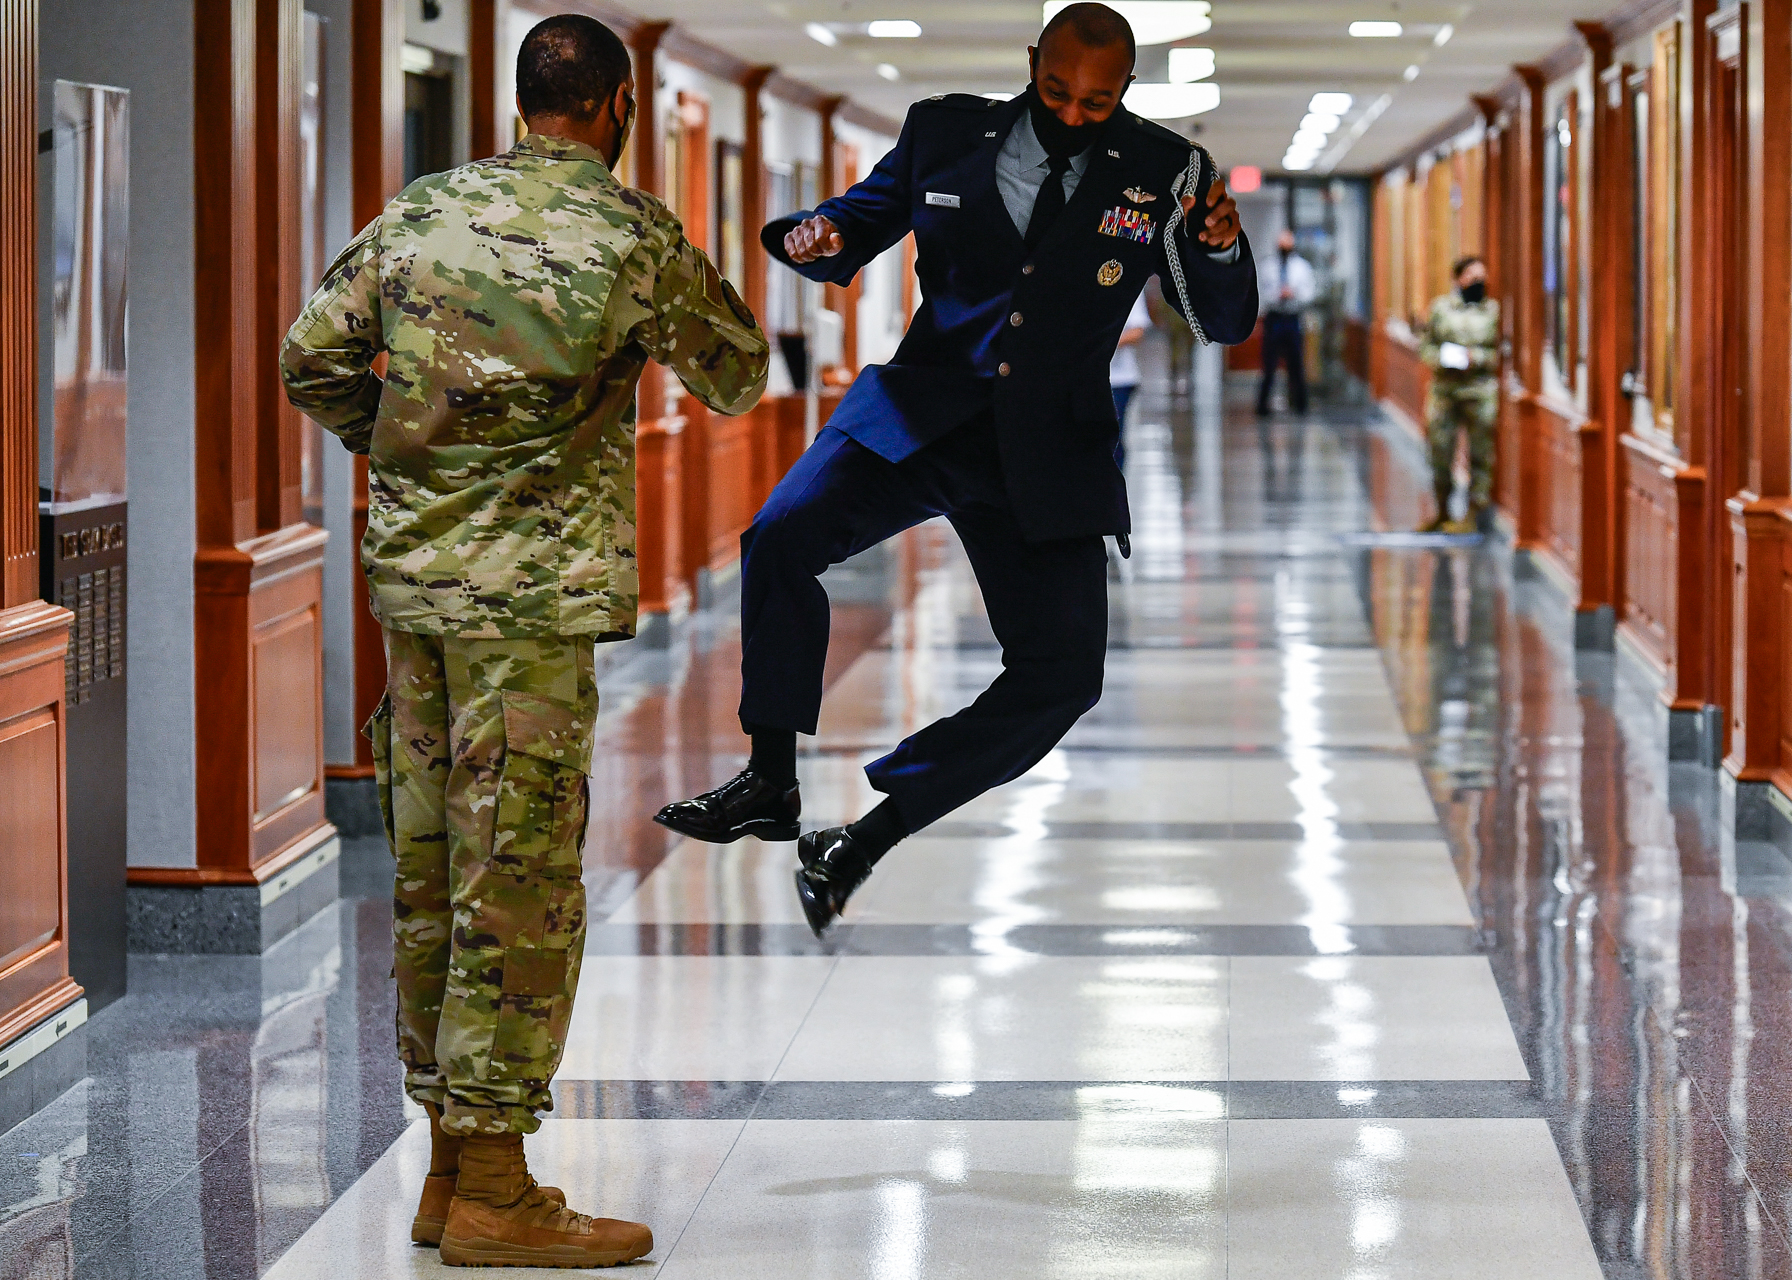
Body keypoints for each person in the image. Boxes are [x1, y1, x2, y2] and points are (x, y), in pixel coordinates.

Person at [280, 13, 768, 1269]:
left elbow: (311, 359)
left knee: (435, 863)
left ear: (519, 100)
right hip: (534, 610)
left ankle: (447, 1165)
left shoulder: (421, 211)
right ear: (615, 106)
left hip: (418, 594)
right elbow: (736, 372)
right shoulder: (629, 231)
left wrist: (410, 458)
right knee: (525, 880)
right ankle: (496, 1179)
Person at [653, 2, 1256, 935]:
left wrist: (1217, 246)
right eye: (1057, 90)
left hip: (1047, 452)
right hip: (921, 414)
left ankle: (866, 837)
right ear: (1031, 63)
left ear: (1125, 90)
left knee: (1062, 678)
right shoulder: (945, 131)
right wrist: (809, 237)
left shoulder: (1164, 169)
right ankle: (770, 779)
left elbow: (1220, 318)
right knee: (779, 536)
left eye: (1098, 101)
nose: (1074, 112)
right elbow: (850, 227)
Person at [1418, 255, 1500, 532]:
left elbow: (1500, 353)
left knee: (1481, 453)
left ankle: (1473, 514)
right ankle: (1442, 509)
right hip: (1444, 389)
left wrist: (1473, 357)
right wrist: (1440, 358)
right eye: (1472, 277)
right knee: (1440, 449)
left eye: (1482, 277)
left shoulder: (1492, 311)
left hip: (1479, 390)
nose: (1479, 283)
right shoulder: (1441, 309)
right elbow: (1426, 345)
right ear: (1458, 279)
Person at [1256, 228, 1316, 416]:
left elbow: (1309, 292)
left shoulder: (1302, 267)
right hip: (1274, 318)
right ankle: (1262, 405)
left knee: (1296, 364)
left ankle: (1300, 405)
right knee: (1269, 364)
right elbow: (1263, 292)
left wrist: (1294, 293)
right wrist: (1278, 294)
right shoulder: (1268, 266)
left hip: (1292, 318)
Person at [1109, 288, 1153, 468]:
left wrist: (1101, 345)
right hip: (1080, 378)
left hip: (1119, 380)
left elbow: (1138, 330)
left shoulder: (1125, 279)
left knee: (1112, 439)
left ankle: (1113, 490)